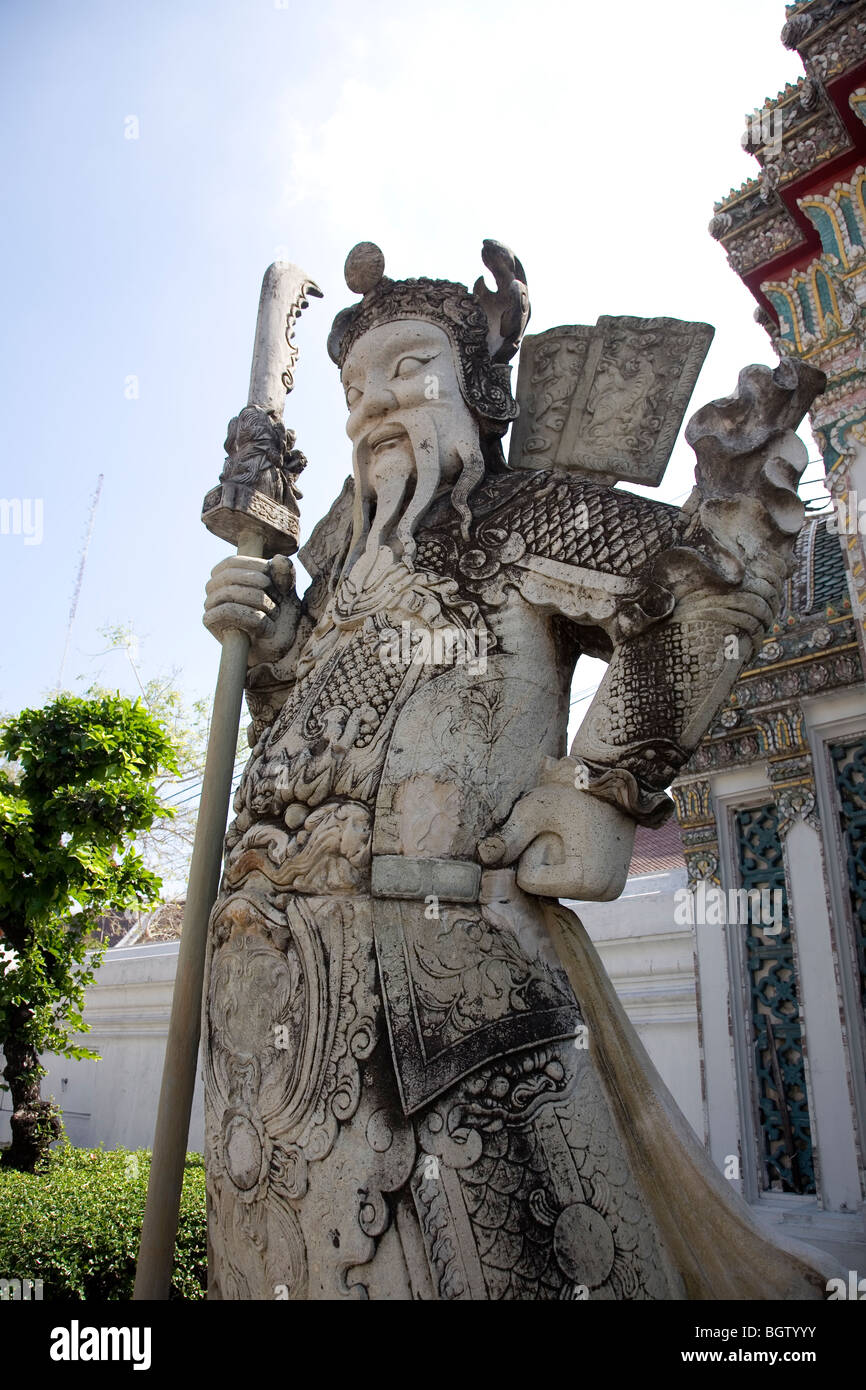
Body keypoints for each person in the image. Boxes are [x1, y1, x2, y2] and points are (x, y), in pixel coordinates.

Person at [200, 240, 832, 1300]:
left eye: (407, 370)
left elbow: (705, 578)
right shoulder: (340, 574)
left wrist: (598, 788)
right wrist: (259, 638)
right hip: (268, 1004)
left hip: (445, 994)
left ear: (475, 392)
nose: (370, 408)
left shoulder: (510, 519)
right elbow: (280, 723)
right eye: (354, 389)